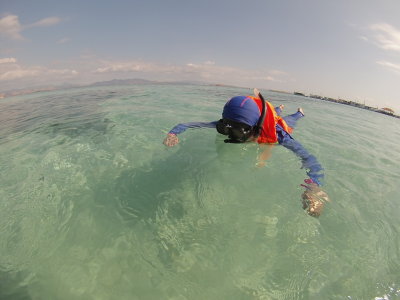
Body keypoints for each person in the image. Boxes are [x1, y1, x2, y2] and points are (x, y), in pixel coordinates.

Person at [163, 90, 330, 217]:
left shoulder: (279, 136)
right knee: (271, 113)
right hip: (254, 119)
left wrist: (313, 187)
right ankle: (277, 108)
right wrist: (173, 133)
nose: (230, 134)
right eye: (226, 128)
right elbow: (187, 124)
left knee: (289, 120)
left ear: (256, 128)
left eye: (238, 132)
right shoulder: (229, 125)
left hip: (277, 124)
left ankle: (297, 112)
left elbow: (310, 160)